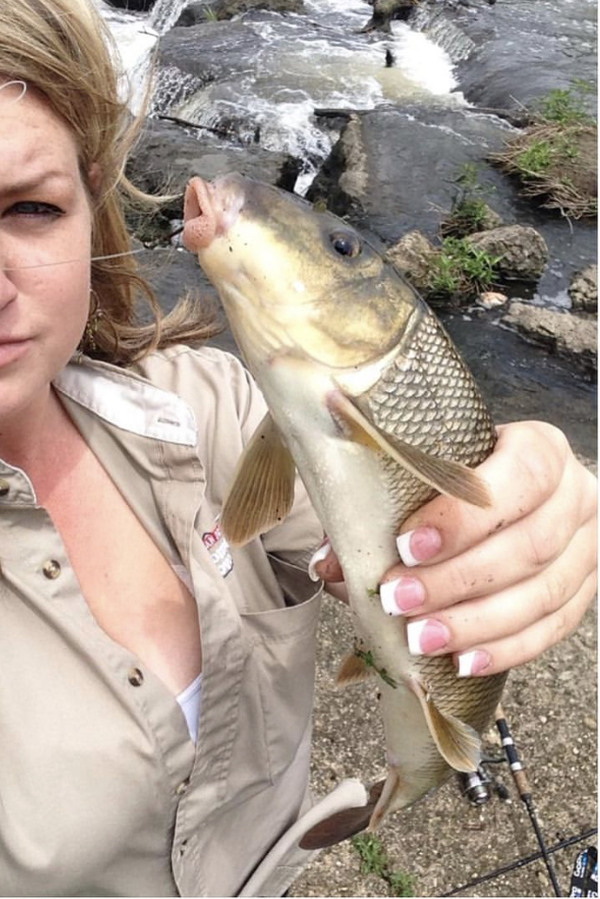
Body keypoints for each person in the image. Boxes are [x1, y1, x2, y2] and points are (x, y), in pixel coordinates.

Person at [0, 1, 596, 896]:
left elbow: (422, 524)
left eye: (29, 208)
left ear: (92, 210)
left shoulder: (212, 409)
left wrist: (540, 512)